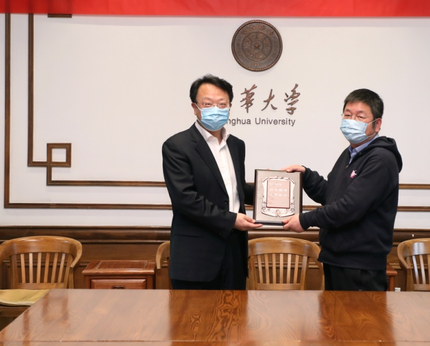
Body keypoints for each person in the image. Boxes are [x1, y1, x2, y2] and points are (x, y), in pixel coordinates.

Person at [282, 88, 403, 291]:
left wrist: (305, 220)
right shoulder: (350, 154)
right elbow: (331, 196)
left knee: (356, 314)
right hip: (337, 258)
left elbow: (349, 208)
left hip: (360, 266)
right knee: (333, 313)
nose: (352, 121)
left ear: (377, 124)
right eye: (347, 115)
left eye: (360, 116)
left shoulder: (380, 160)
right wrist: (306, 176)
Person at [162, 74, 261, 290]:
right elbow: (185, 199)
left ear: (230, 106)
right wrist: (231, 220)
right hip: (196, 258)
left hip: (234, 252)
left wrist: (270, 189)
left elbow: (234, 190)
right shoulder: (177, 146)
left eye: (222, 104)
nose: (215, 109)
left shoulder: (236, 145)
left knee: (235, 311)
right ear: (195, 107)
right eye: (207, 104)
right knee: (193, 314)